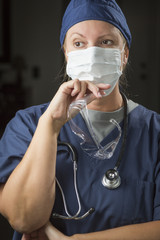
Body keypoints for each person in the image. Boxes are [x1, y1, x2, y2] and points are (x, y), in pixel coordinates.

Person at [0, 0, 160, 239]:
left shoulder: (154, 132)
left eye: (106, 42)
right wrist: (50, 126)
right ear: (66, 54)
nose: (92, 53)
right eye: (79, 43)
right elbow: (23, 219)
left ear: (124, 55)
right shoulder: (27, 125)